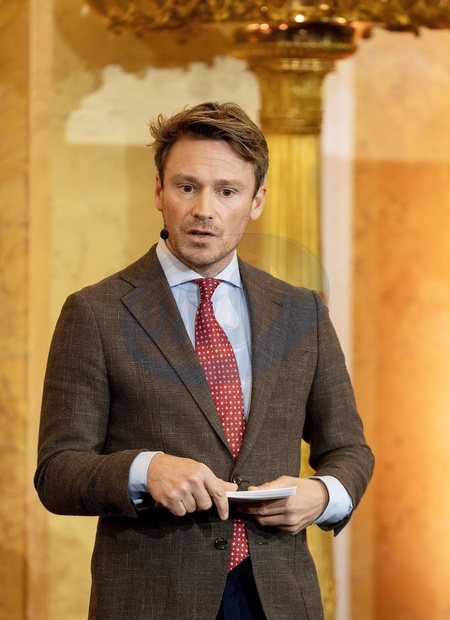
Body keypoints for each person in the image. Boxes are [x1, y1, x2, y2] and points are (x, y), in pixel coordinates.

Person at [35, 101, 374, 620]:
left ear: (257, 201)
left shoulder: (300, 310)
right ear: (158, 191)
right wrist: (144, 469)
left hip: (279, 598)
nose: (204, 210)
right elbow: (57, 472)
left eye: (227, 191)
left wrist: (323, 495)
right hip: (153, 602)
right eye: (187, 187)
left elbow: (349, 449)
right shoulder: (95, 312)